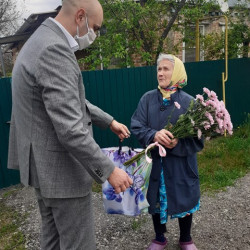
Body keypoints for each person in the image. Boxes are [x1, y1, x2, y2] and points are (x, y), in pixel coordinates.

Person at [7, 0, 133, 249]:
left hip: (43, 168)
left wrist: (108, 121)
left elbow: (68, 99)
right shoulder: (55, 49)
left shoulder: (39, 39)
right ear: (80, 16)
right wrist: (109, 170)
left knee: (52, 241)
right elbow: (70, 129)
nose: (95, 35)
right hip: (61, 173)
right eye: (95, 28)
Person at [130, 54, 204, 250]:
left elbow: (199, 139)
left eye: (165, 69)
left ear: (177, 73)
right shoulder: (147, 99)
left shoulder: (190, 103)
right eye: (159, 70)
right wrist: (153, 135)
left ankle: (186, 238)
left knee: (185, 198)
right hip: (157, 164)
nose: (161, 73)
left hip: (182, 165)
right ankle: (159, 237)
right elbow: (137, 126)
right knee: (155, 199)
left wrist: (178, 142)